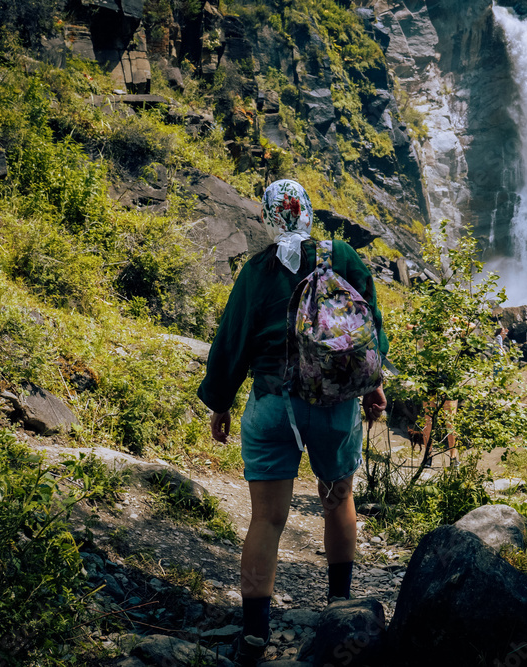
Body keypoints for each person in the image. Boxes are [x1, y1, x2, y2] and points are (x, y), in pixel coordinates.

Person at [197, 179, 388, 666]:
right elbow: (369, 327)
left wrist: (220, 402)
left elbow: (232, 340)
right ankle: (339, 613)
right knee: (338, 500)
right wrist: (372, 383)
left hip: (271, 404)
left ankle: (256, 637)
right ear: (305, 212)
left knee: (266, 519)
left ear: (268, 216)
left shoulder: (257, 269)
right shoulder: (341, 255)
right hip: (331, 405)